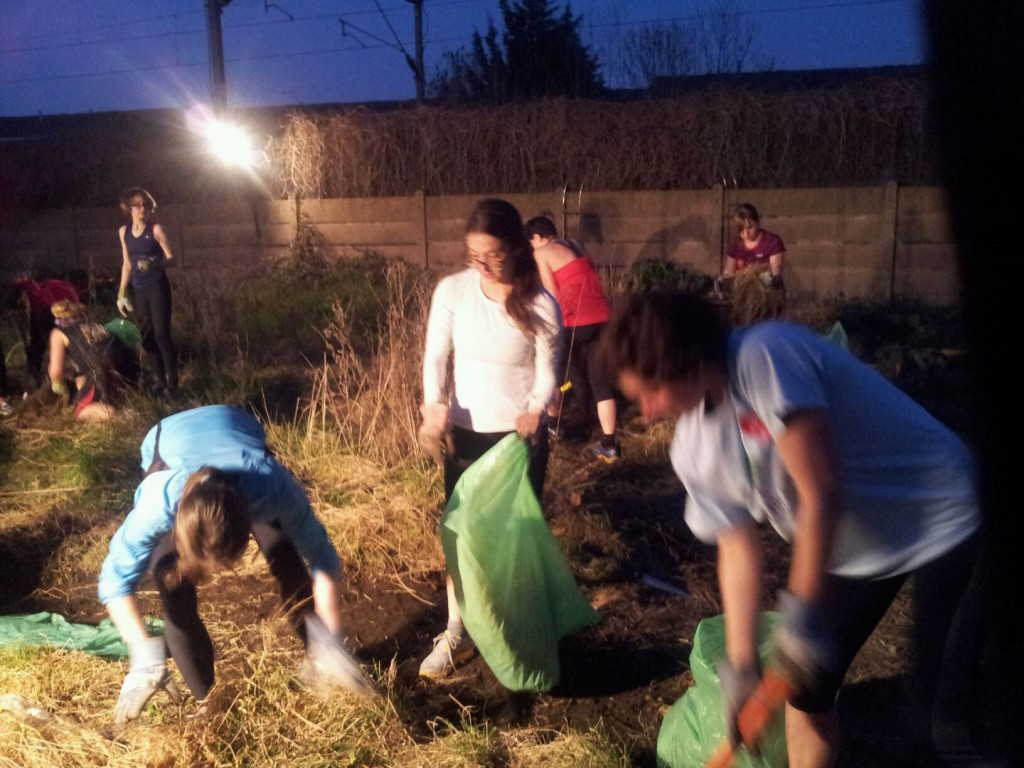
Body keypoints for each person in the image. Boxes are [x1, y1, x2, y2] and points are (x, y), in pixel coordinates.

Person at [597, 290, 980, 768]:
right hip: (855, 547)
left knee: (946, 721)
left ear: (684, 360)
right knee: (807, 695)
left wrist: (800, 617)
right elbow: (736, 548)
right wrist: (742, 667)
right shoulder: (693, 447)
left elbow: (821, 491)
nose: (648, 412)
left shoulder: (763, 356)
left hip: (947, 513)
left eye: (650, 391)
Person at [98, 405, 371, 723]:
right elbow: (114, 580)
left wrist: (331, 637)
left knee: (285, 557)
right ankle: (208, 707)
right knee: (172, 585)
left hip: (237, 430)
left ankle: (319, 655)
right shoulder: (158, 505)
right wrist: (144, 655)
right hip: (167, 441)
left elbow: (322, 557)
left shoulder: (271, 488)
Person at [416, 198, 561, 679]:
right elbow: (436, 352)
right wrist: (433, 401)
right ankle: (457, 628)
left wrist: (536, 409)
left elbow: (548, 372)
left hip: (518, 442)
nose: (482, 264)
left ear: (517, 249)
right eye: (474, 255)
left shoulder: (540, 303)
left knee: (513, 539)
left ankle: (511, 628)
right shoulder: (453, 291)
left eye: (493, 255)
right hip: (464, 434)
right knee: (461, 535)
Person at [525, 214, 619, 462]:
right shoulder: (575, 244)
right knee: (600, 382)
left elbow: (552, 295)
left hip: (574, 321)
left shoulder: (542, 253)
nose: (532, 248)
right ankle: (609, 444)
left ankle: (553, 427)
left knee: (556, 373)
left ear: (537, 238)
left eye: (531, 242)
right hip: (602, 318)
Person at [117, 187, 178, 395]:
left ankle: (173, 383)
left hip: (157, 287)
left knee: (161, 335)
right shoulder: (124, 232)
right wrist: (121, 293)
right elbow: (126, 264)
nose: (141, 208)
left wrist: (156, 264)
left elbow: (173, 259)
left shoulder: (156, 230)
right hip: (138, 289)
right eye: (137, 204)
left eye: (144, 204)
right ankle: (160, 382)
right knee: (147, 338)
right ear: (129, 208)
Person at [47, 300, 140, 422]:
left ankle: (115, 415)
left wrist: (59, 386)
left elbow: (55, 371)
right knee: (82, 380)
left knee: (80, 412)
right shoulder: (94, 326)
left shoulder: (58, 333)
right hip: (126, 366)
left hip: (100, 369)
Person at [13, 273, 81, 386]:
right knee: (42, 345)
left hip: (52, 309)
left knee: (42, 345)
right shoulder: (61, 289)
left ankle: (37, 375)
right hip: (50, 309)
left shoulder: (49, 290)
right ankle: (35, 375)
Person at [719, 203, 786, 294]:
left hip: (767, 292)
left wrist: (765, 279)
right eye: (741, 229)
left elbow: (776, 272)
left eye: (750, 227)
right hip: (742, 291)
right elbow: (730, 273)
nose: (746, 233)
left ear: (757, 223)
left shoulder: (772, 242)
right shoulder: (735, 244)